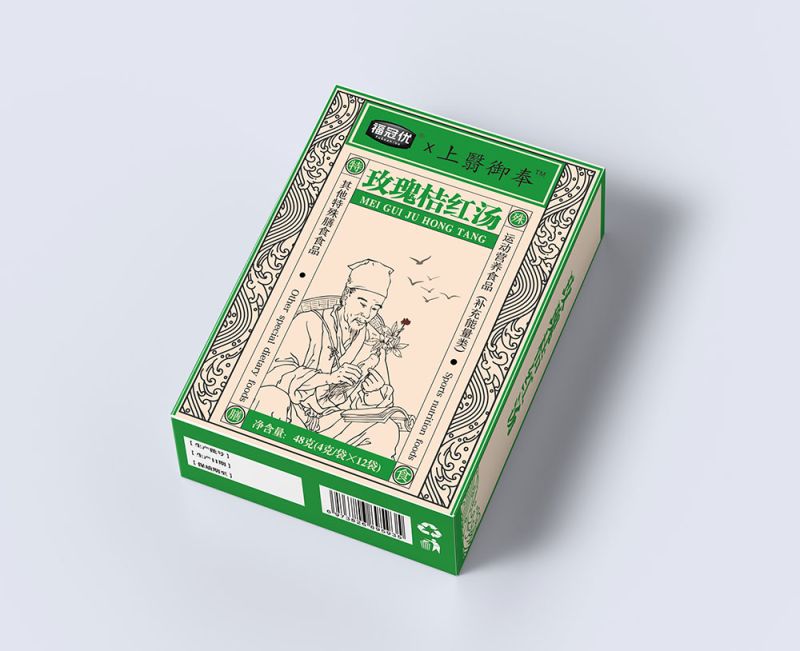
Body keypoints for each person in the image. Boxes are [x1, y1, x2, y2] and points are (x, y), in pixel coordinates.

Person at [253, 259, 401, 458]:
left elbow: (376, 408)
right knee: (270, 397)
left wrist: (373, 393)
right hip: (294, 413)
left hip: (335, 424)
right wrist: (327, 378)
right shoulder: (309, 321)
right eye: (362, 303)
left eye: (375, 308)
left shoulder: (373, 342)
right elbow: (274, 373)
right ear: (346, 295)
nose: (366, 314)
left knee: (387, 430)